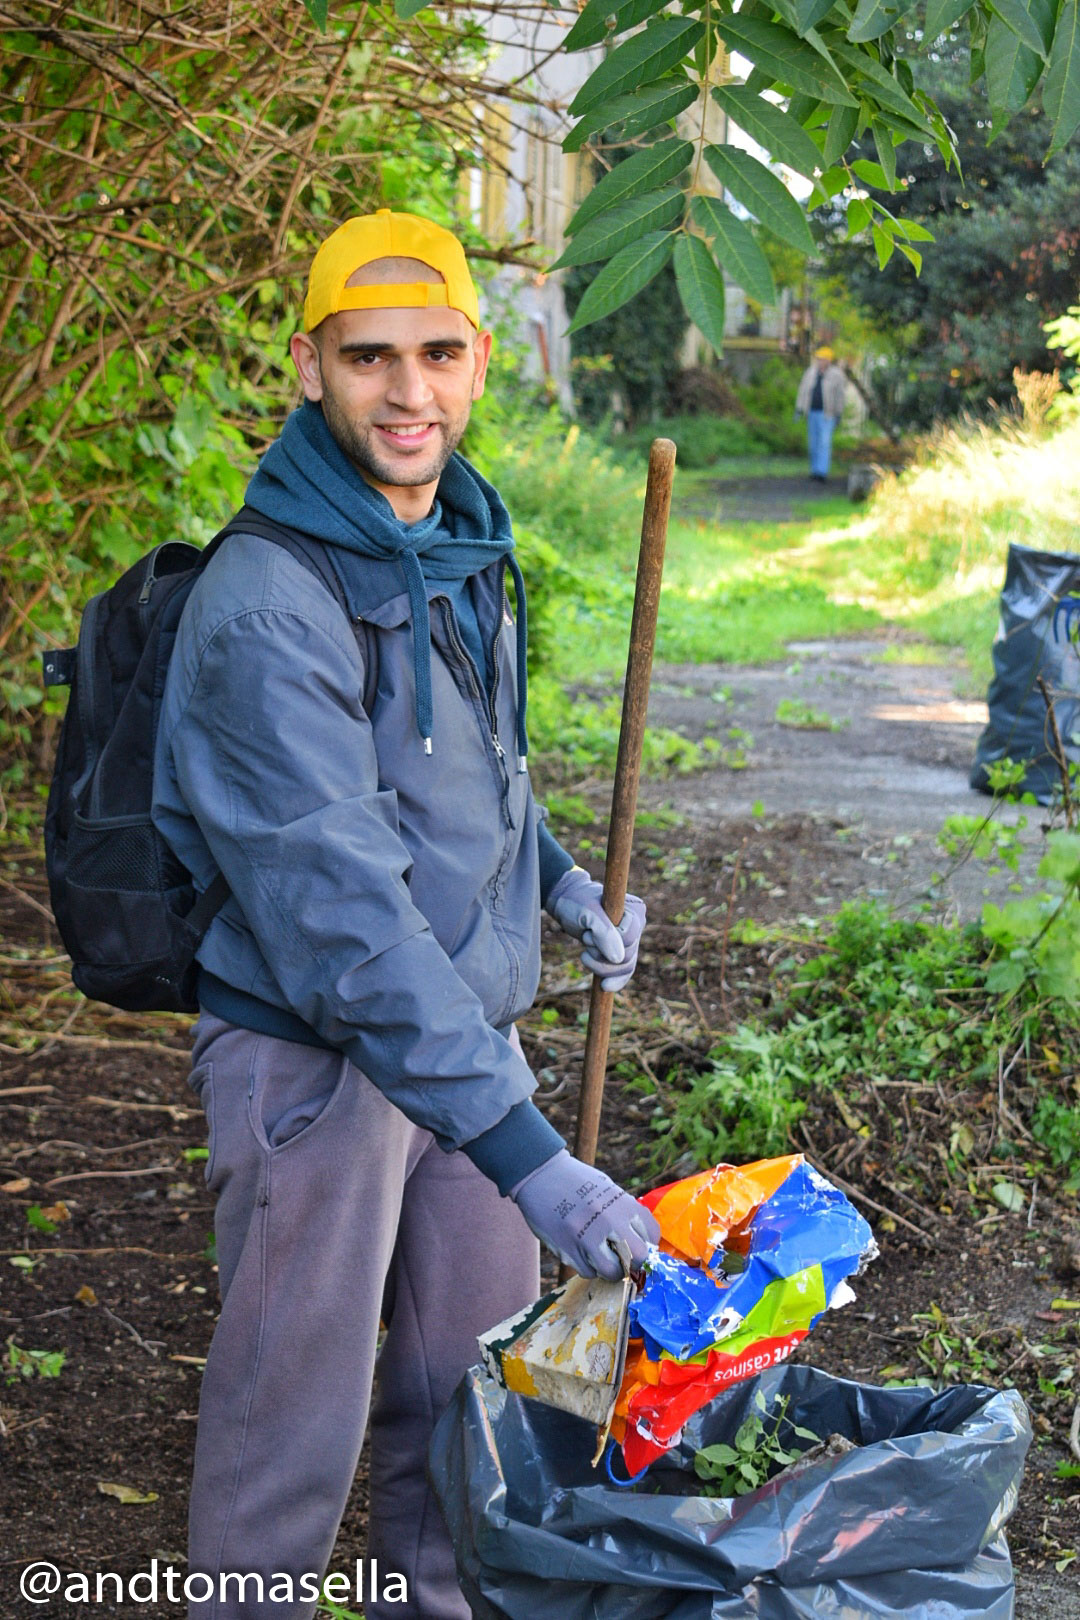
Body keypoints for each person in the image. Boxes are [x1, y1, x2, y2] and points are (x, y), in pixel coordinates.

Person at [152, 208, 661, 1620]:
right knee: (290, 1423)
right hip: (315, 1064)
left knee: (463, 1402)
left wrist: (552, 878)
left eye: (438, 353)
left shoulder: (453, 544)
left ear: (481, 359)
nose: (409, 392)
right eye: (370, 358)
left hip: (462, 1044)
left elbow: (461, 772)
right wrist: (530, 1154)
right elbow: (340, 918)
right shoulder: (266, 602)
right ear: (310, 364)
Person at [795, 346, 847, 482]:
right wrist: (799, 408)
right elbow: (803, 391)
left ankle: (821, 472)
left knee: (824, 443)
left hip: (827, 414)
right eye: (818, 359)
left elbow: (840, 396)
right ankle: (814, 470)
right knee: (813, 443)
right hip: (811, 413)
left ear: (828, 360)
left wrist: (839, 413)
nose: (819, 361)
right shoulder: (811, 372)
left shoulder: (837, 375)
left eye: (822, 359)